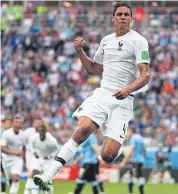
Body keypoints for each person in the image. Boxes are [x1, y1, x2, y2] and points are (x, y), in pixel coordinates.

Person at [33, 1, 150, 191]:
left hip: (123, 101)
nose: (122, 17)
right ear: (113, 18)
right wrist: (80, 51)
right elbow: (93, 69)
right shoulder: (106, 41)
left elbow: (145, 74)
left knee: (108, 155)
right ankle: (48, 176)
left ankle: (117, 138)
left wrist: (127, 89)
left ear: (131, 18)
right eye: (119, 14)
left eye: (126, 15)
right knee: (82, 129)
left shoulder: (138, 40)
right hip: (103, 94)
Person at [29, 125, 59, 194]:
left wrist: (51, 156)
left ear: (45, 132)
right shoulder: (34, 137)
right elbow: (30, 146)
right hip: (39, 158)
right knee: (36, 175)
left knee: (46, 180)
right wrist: (34, 152)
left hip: (48, 160)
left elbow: (57, 149)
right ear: (38, 132)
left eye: (43, 131)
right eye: (40, 131)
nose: (41, 133)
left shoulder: (51, 140)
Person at [1, 115, 25, 194]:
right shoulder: (6, 133)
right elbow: (2, 148)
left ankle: (4, 192)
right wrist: (15, 153)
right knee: (10, 179)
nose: (17, 124)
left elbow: (26, 147)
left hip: (17, 159)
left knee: (15, 177)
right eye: (16, 122)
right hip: (6, 159)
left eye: (19, 123)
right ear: (13, 124)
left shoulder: (23, 134)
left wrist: (23, 154)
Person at [120, 128, 146, 194]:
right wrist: (143, 158)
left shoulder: (133, 138)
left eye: (128, 131)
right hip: (140, 159)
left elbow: (131, 150)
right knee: (130, 175)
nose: (127, 133)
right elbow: (144, 149)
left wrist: (124, 161)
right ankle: (130, 192)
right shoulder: (140, 137)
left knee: (138, 177)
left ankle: (141, 192)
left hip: (136, 160)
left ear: (131, 131)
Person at [24, 118, 43, 194]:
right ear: (33, 124)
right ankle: (34, 191)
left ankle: (31, 191)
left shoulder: (43, 132)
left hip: (39, 155)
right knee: (32, 173)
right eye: (36, 122)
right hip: (30, 155)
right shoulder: (28, 132)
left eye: (39, 123)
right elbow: (24, 142)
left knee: (36, 174)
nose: (37, 124)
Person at [0, 116, 13, 194]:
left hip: (12, 157)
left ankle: (12, 189)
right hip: (3, 156)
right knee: (3, 173)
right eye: (6, 123)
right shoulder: (1, 132)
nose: (7, 124)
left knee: (12, 174)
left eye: (9, 123)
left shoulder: (13, 133)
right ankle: (3, 191)